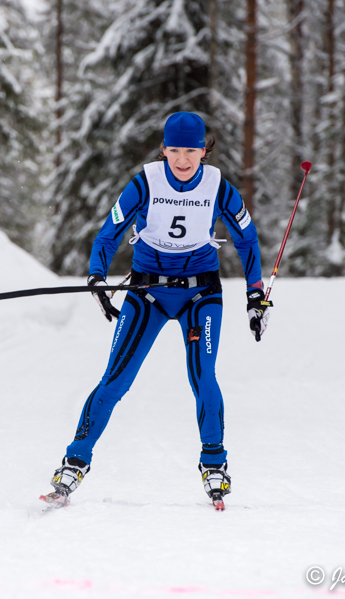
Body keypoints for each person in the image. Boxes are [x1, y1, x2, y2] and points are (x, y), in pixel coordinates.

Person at [43, 112, 272, 508]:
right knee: (115, 380)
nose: (183, 160)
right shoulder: (144, 183)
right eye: (175, 151)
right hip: (146, 290)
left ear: (204, 150)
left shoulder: (219, 187)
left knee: (203, 377)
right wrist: (97, 277)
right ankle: (74, 463)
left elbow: (247, 240)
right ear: (163, 149)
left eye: (191, 151)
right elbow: (108, 233)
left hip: (200, 293)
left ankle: (214, 464)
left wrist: (256, 295)